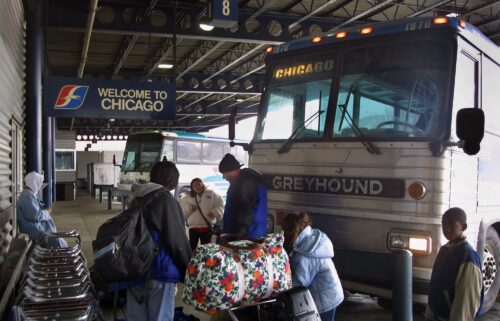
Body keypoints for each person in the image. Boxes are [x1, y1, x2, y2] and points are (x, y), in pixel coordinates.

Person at [127, 160, 192, 321]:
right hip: (159, 271)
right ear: (172, 180)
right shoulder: (166, 201)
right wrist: (188, 272)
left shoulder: (137, 197)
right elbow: (177, 242)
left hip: (134, 269)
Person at [281, 212, 344, 321]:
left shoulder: (305, 254)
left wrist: (281, 288)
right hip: (330, 291)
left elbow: (301, 283)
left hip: (325, 298)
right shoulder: (310, 238)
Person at [425, 207, 483, 321]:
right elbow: (435, 284)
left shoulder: (468, 256)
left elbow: (466, 298)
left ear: (463, 227)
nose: (446, 229)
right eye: (443, 224)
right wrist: (430, 313)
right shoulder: (444, 250)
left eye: (452, 225)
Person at [218, 153, 267, 239]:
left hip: (245, 236)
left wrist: (236, 236)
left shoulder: (241, 186)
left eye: (225, 174)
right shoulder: (253, 180)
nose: (224, 178)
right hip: (257, 232)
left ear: (233, 170)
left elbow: (244, 213)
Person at [17, 171, 67, 248]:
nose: (39, 186)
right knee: (59, 244)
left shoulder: (29, 195)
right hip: (36, 232)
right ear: (34, 183)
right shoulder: (27, 197)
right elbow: (36, 215)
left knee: (60, 241)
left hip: (38, 230)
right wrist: (47, 212)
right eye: (39, 183)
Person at [180, 178, 224, 250]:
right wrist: (189, 208)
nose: (197, 186)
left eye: (199, 184)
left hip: (207, 227)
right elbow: (182, 208)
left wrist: (215, 212)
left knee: (206, 248)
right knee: (191, 247)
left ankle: (204, 261)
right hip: (193, 227)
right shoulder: (188, 196)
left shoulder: (212, 194)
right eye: (195, 185)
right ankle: (191, 260)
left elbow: (221, 205)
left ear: (202, 184)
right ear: (192, 188)